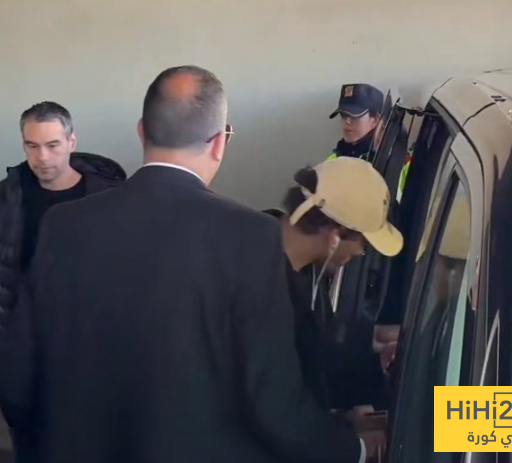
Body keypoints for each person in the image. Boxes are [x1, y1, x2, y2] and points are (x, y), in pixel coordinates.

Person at [0, 66, 377, 463]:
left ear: (141, 132)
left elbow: (19, 375)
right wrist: (354, 449)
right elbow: (272, 402)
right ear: (220, 142)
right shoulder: (251, 236)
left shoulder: (64, 224)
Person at [0, 101, 126, 461]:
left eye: (52, 145)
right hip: (22, 340)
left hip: (89, 340)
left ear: (71, 142)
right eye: (32, 145)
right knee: (29, 436)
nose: (42, 157)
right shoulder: (8, 196)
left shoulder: (108, 197)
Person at [264, 157, 403, 424]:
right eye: (362, 242)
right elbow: (273, 408)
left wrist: (375, 357)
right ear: (335, 236)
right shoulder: (260, 288)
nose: (361, 252)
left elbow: (317, 354)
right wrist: (348, 438)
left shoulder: (304, 273)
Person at [328, 83, 384, 162]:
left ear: (374, 120)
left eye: (354, 116)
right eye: (343, 115)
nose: (347, 121)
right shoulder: (333, 160)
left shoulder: (394, 160)